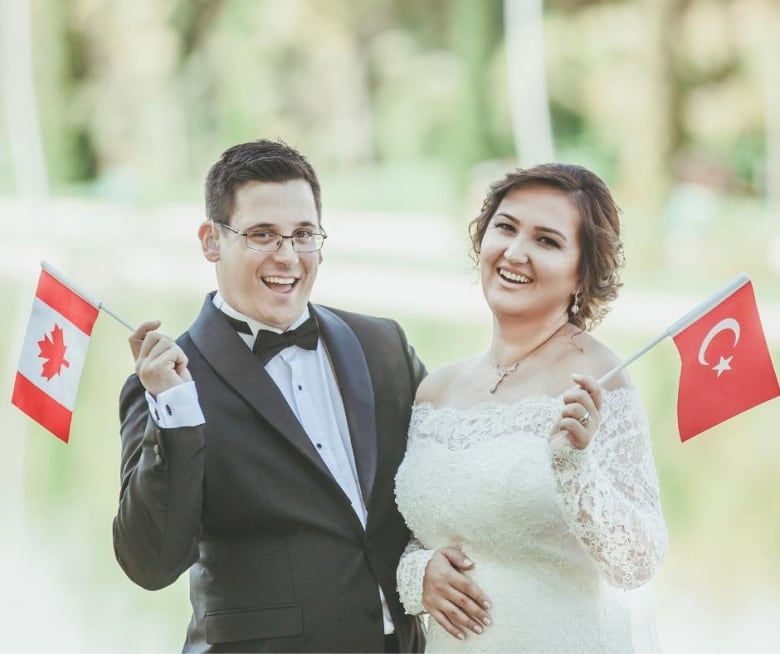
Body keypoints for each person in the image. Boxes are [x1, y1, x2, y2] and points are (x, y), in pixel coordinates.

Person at [113, 139, 427, 653]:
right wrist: (175, 414)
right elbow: (150, 563)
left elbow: (447, 475)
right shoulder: (168, 386)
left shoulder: (383, 345)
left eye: (303, 234)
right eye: (262, 235)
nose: (287, 257)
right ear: (211, 240)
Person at [394, 163, 668, 652]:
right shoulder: (438, 389)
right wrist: (419, 573)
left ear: (582, 274)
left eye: (547, 240)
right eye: (506, 227)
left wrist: (576, 469)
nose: (515, 252)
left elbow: (639, 561)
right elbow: (429, 531)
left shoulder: (599, 379)